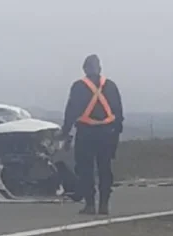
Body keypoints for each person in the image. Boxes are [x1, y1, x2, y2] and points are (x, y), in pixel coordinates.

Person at [60, 54, 124, 215]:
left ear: (85, 69)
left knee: (85, 168)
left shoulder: (79, 86)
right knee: (105, 168)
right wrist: (116, 134)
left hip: (86, 133)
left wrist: (65, 133)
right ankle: (104, 205)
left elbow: (71, 111)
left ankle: (90, 204)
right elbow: (118, 113)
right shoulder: (111, 86)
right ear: (100, 68)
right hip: (107, 133)